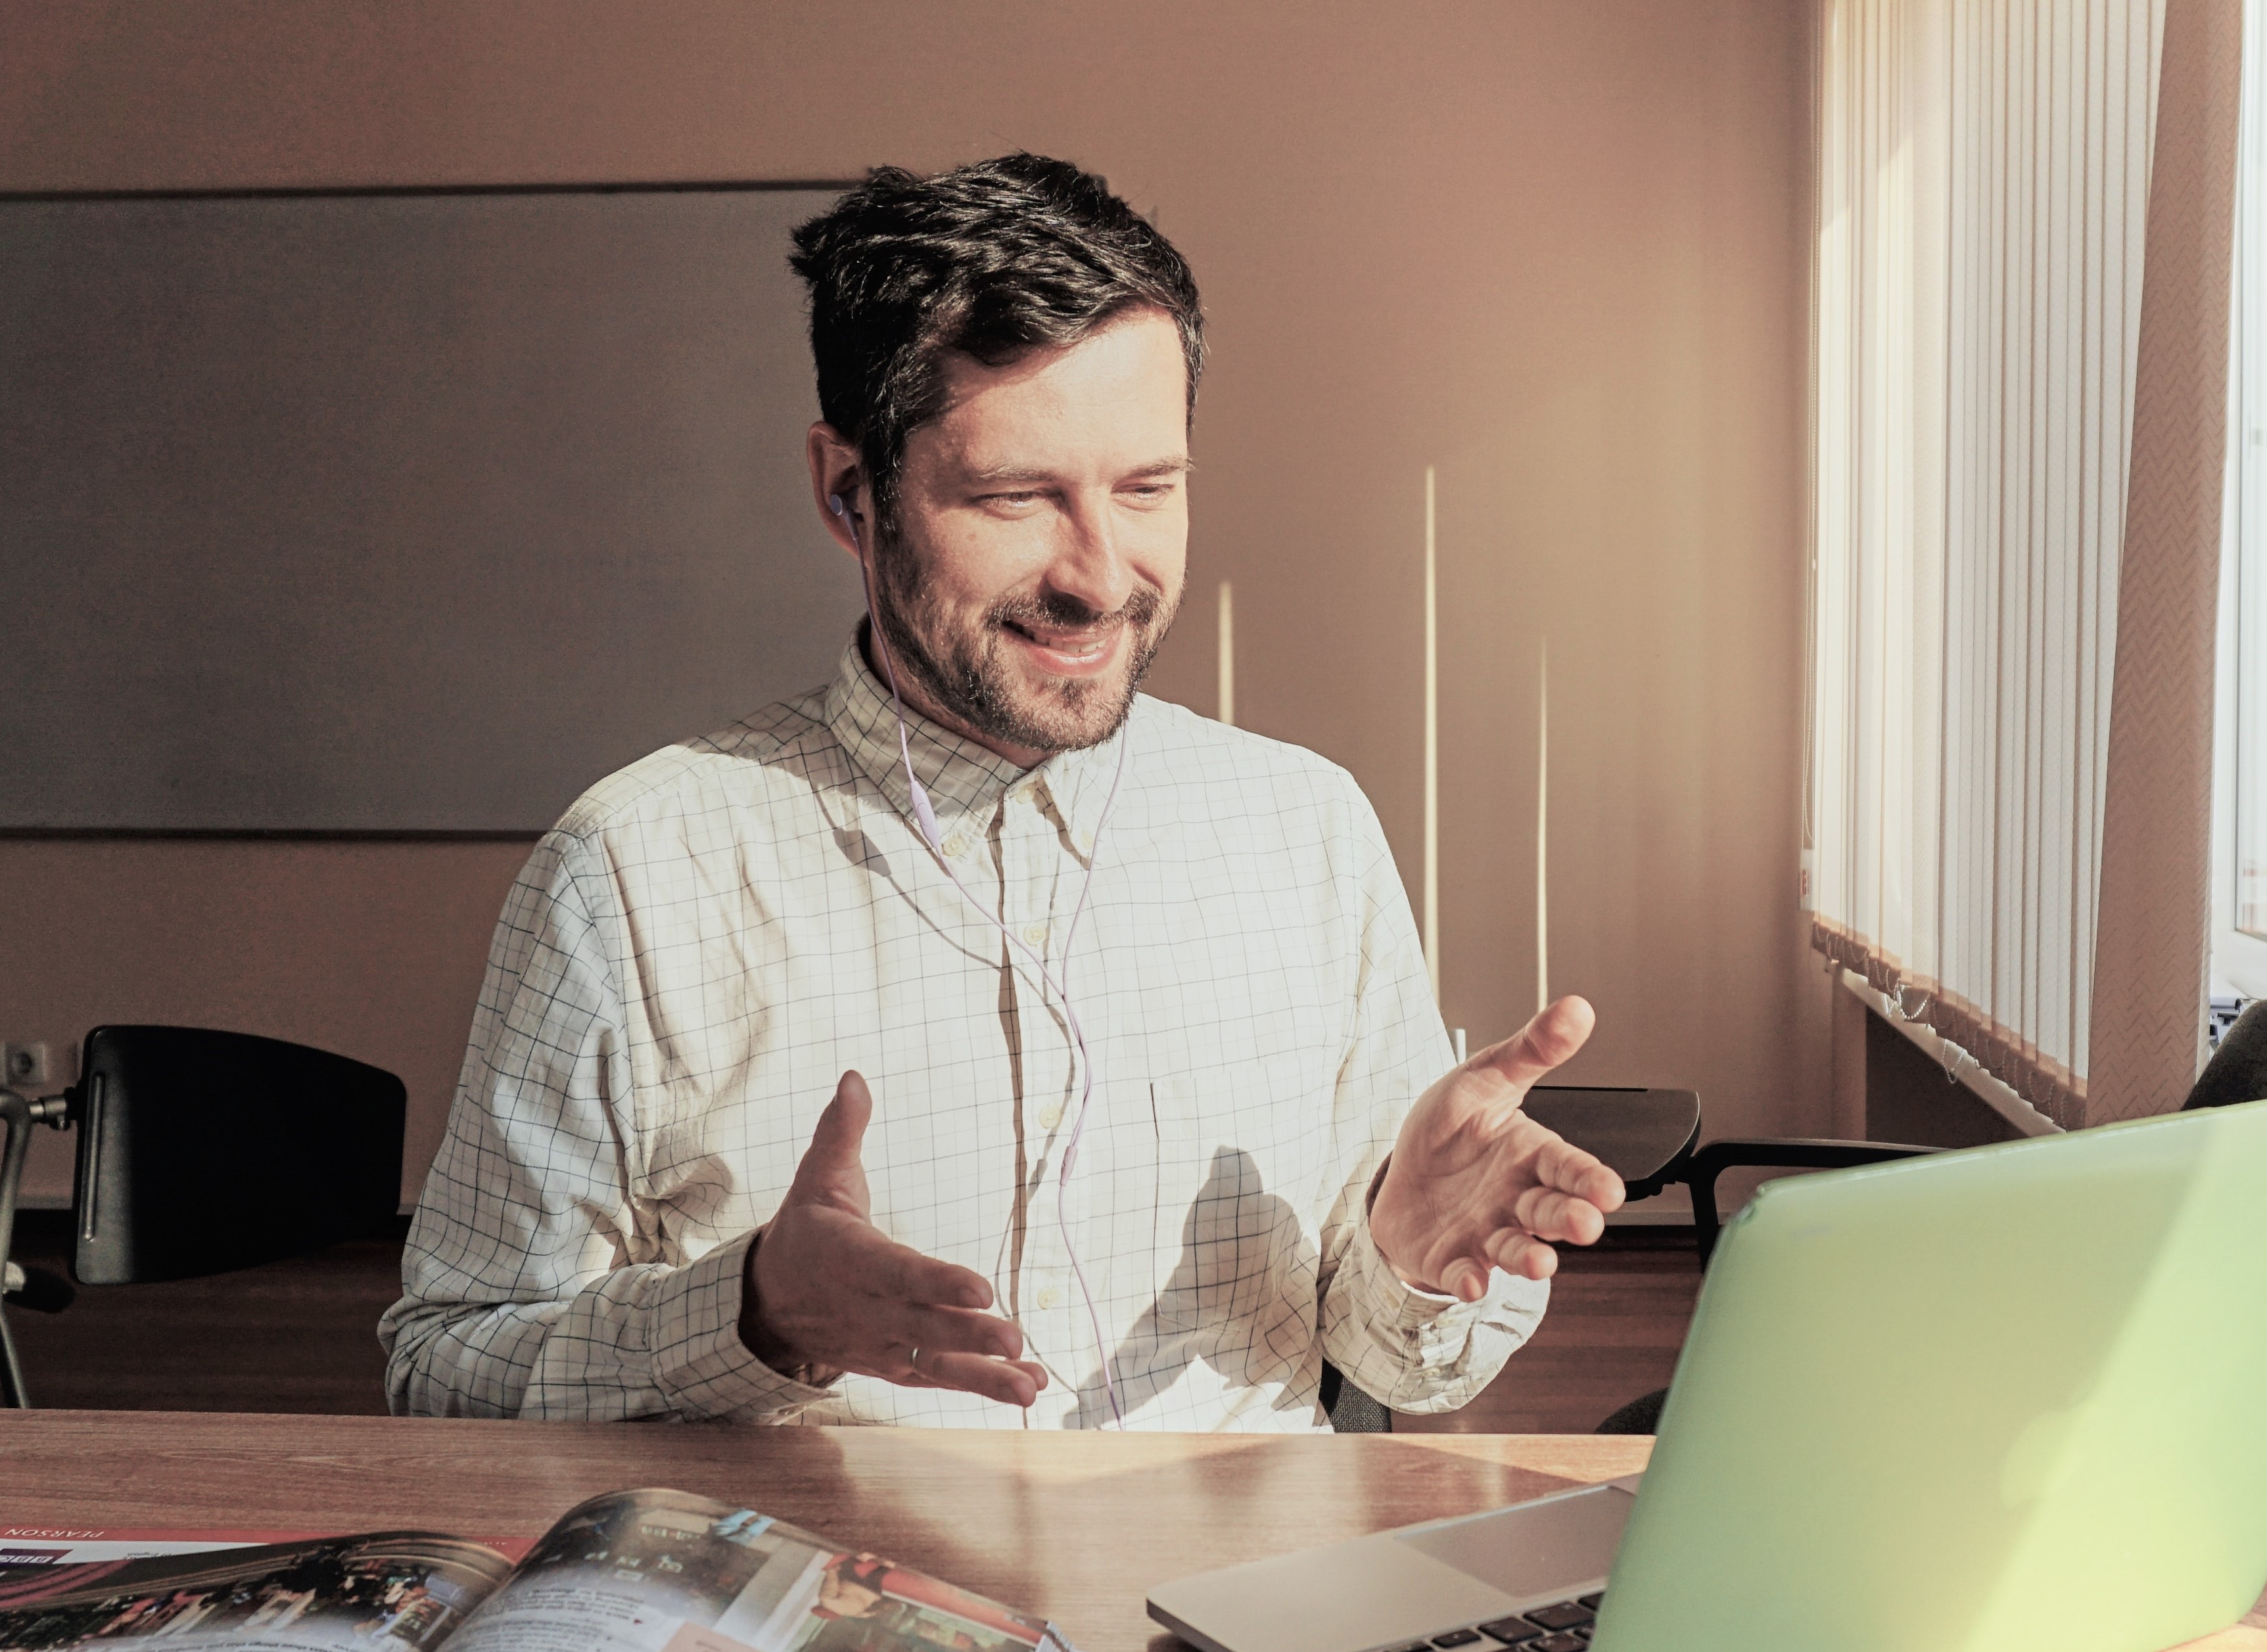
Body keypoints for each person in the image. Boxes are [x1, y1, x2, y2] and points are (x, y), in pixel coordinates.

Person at [381, 153, 1622, 1431]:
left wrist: (1409, 1260)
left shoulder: (1307, 834)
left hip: (1226, 1604)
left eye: (1147, 488)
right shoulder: (631, 875)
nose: (1098, 575)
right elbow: (445, 1372)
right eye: (1016, 496)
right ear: (849, 491)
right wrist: (751, 1316)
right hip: (810, 1614)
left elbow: (1400, 1364)